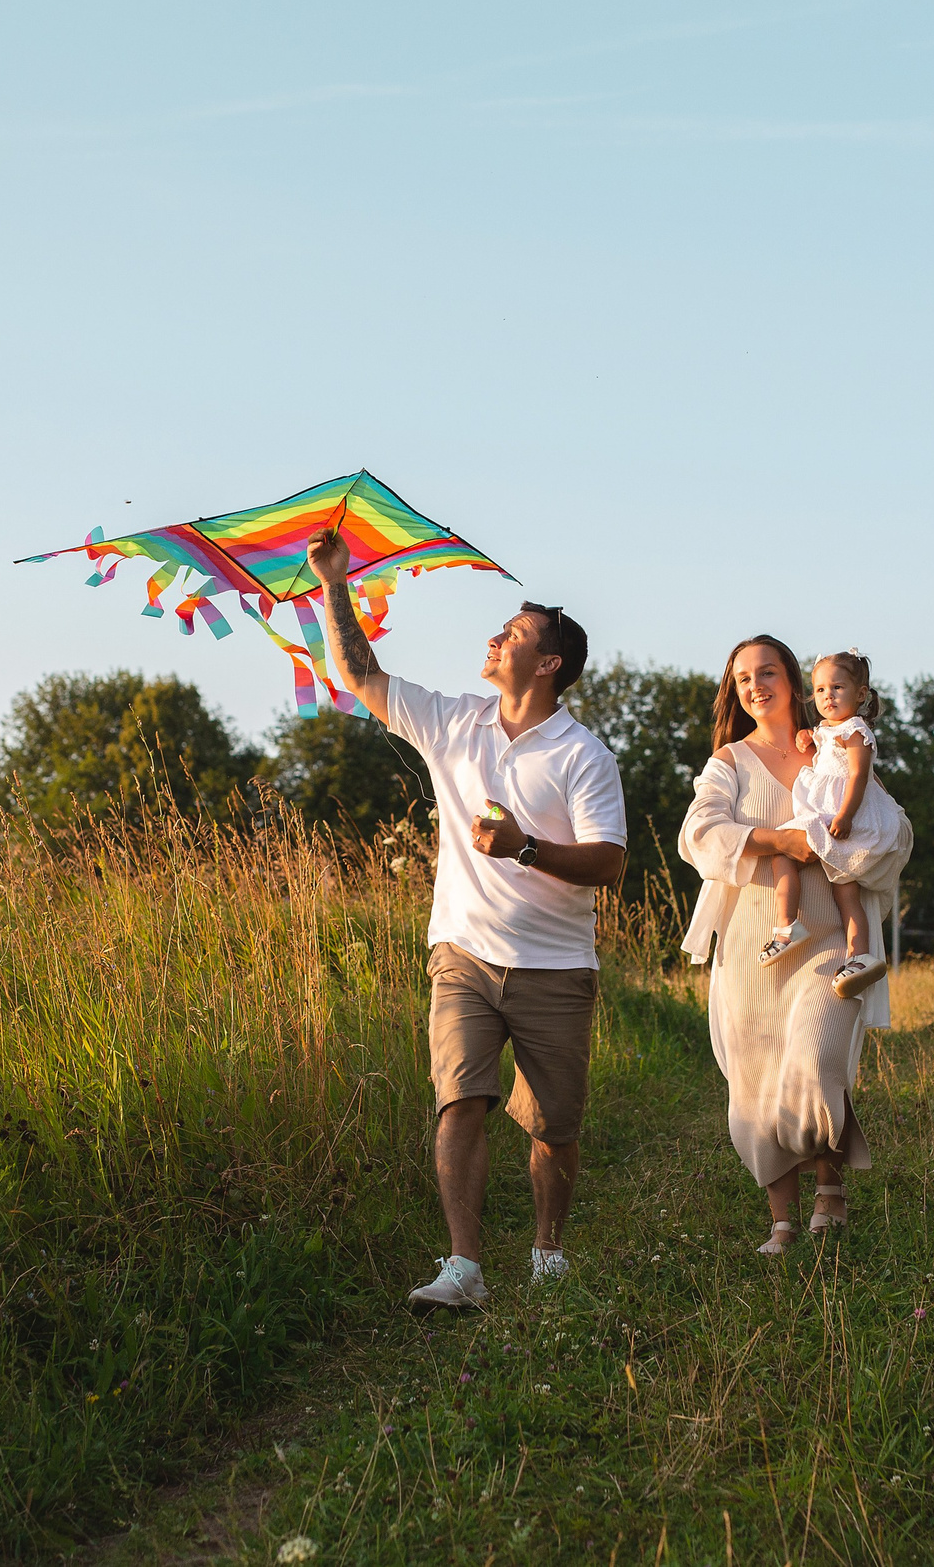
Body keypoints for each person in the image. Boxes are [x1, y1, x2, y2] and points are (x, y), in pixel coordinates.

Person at [305, 527, 628, 1309]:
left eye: (514, 633)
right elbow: (358, 671)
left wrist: (524, 849)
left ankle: (547, 1250)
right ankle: (464, 1267)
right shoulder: (453, 721)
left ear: (548, 663)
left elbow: (609, 862)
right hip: (463, 954)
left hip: (555, 965)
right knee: (459, 1099)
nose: (496, 637)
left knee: (554, 1124)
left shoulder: (583, 755)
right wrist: (334, 581)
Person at [678, 636, 910, 1255]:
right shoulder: (730, 760)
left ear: (793, 681)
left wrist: (852, 841)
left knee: (815, 1058)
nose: (756, 686)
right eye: (743, 678)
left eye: (768, 672)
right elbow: (697, 833)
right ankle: (782, 1220)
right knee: (756, 1079)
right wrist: (778, 842)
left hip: (830, 934)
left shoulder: (833, 740)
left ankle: (830, 1183)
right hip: (758, 939)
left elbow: (891, 825)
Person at [757, 652, 904, 1001]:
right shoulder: (829, 730)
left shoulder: (856, 732)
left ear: (860, 694)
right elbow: (825, 747)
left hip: (840, 817)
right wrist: (810, 737)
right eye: (820, 689)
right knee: (817, 876)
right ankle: (836, 948)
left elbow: (858, 776)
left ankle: (821, 940)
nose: (828, 696)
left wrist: (846, 815)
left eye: (838, 687)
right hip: (826, 814)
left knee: (836, 888)